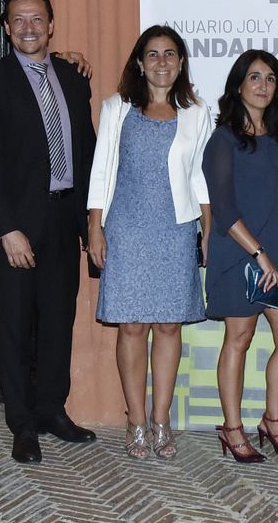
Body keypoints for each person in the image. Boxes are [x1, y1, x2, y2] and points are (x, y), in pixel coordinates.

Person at [0, 0, 97, 464]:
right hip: (16, 228)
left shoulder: (73, 78)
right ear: (7, 28)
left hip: (65, 219)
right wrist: (6, 228)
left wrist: (92, 220)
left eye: (37, 19)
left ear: (51, 26)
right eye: (19, 20)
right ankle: (22, 423)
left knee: (58, 321)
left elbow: (87, 152)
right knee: (15, 326)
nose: (28, 28)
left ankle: (52, 410)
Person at [87, 25, 213, 459]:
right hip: (126, 228)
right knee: (132, 326)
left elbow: (200, 176)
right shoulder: (117, 108)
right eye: (153, 54)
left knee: (169, 325)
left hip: (176, 229)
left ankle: (162, 420)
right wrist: (95, 227)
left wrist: (208, 230)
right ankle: (136, 420)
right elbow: (101, 171)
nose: (162, 61)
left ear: (181, 62)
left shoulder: (197, 112)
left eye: (170, 53)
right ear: (140, 63)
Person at [202, 50, 278, 464]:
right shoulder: (223, 139)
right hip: (240, 255)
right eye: (255, 77)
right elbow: (224, 210)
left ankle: (271, 421)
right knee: (239, 339)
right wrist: (260, 255)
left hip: (277, 256)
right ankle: (232, 428)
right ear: (239, 86)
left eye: (271, 79)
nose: (263, 86)